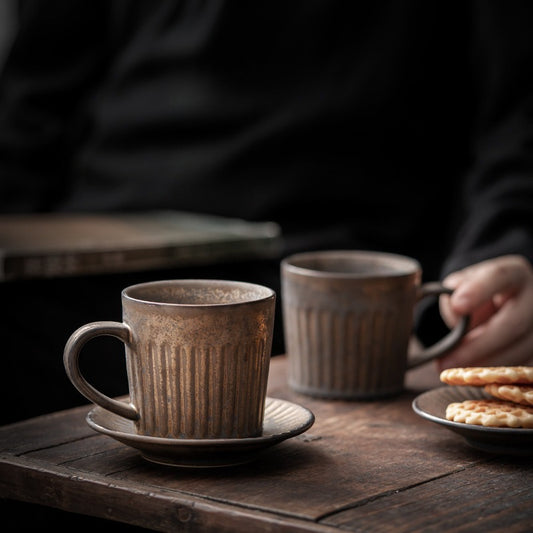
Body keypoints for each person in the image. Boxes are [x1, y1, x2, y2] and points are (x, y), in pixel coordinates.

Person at [1, 0, 533, 378]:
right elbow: (31, 106)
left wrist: (507, 249)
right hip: (90, 259)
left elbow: (518, 115)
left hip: (330, 278)